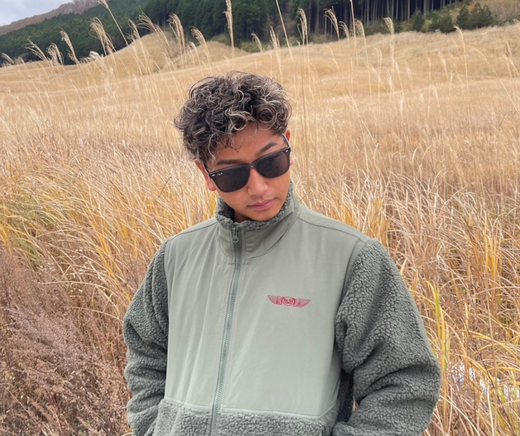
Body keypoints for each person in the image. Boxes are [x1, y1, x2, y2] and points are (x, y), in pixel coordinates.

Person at [123, 71, 441, 436]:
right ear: (206, 174)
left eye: (271, 162)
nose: (259, 187)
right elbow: (146, 353)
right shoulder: (176, 257)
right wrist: (154, 427)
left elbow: (405, 382)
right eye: (232, 175)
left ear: (288, 144)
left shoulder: (350, 258)